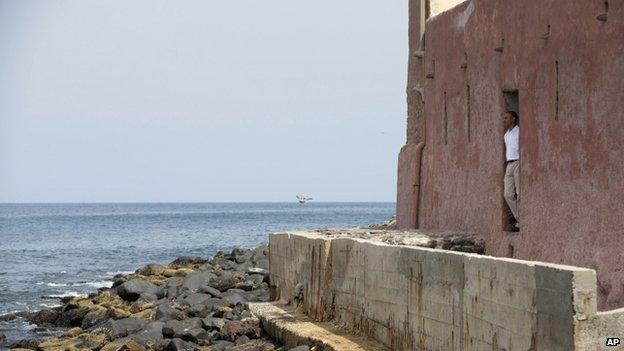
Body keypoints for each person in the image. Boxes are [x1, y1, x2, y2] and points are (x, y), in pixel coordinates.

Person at [503, 111, 520, 232]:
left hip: (518, 162)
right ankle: (520, 218)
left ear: (513, 119)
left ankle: (520, 222)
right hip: (509, 163)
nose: (504, 120)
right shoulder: (506, 135)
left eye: (506, 118)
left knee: (519, 193)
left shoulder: (519, 131)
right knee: (508, 194)